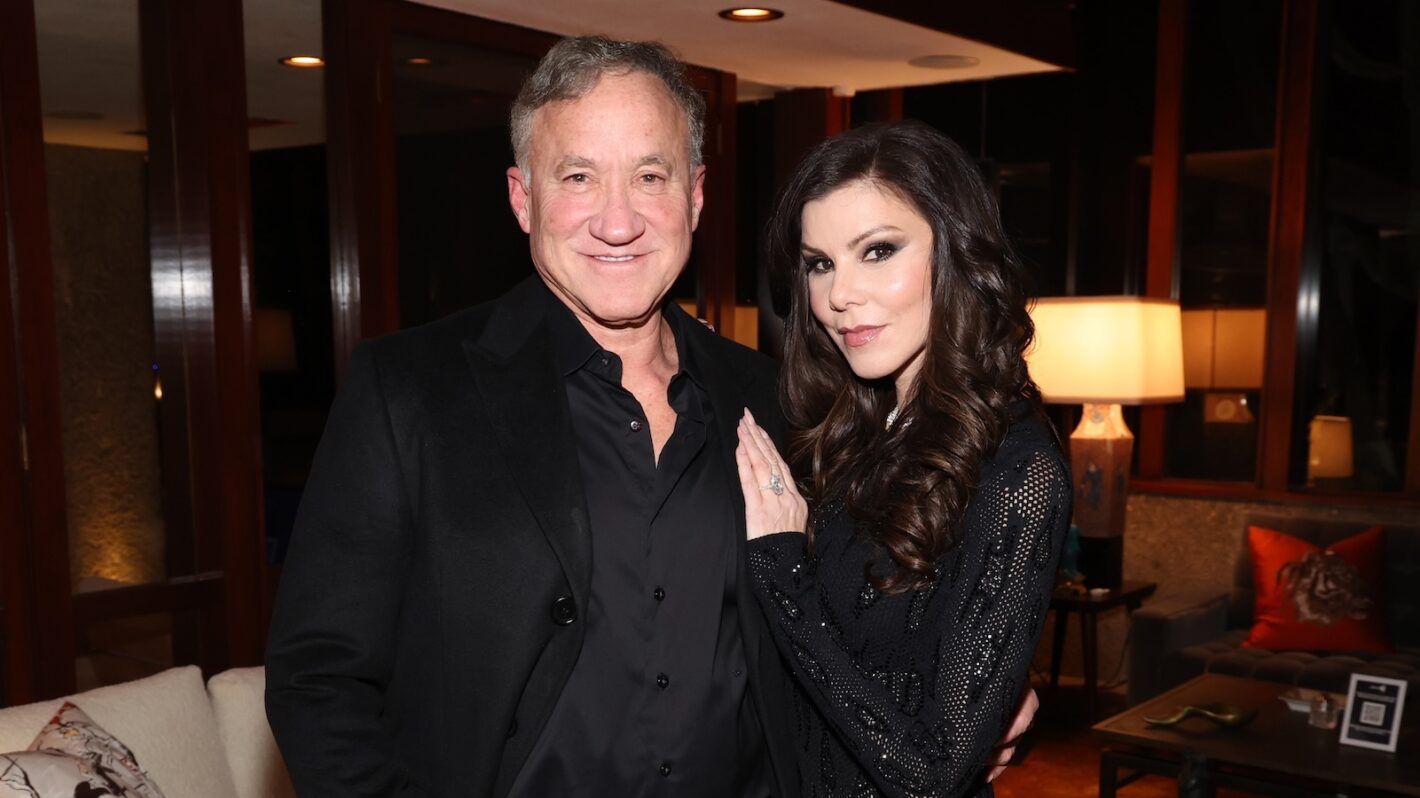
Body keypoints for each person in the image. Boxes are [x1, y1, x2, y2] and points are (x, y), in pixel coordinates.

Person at [265, 36, 1034, 797]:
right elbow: (317, 678)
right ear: (521, 197)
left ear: (694, 195)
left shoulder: (779, 400)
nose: (618, 219)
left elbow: (856, 603)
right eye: (578, 176)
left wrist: (979, 694)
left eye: (649, 175)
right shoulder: (408, 391)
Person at [734, 120, 1071, 798]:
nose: (839, 296)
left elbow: (931, 772)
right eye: (820, 263)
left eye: (878, 251)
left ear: (956, 251)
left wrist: (782, 568)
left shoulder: (1019, 470)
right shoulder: (849, 431)